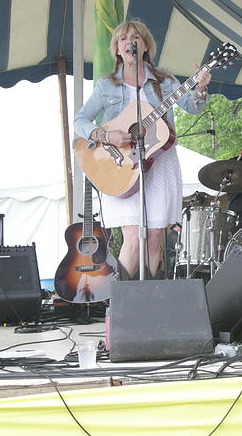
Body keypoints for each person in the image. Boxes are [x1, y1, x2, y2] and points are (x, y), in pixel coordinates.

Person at [74, 20, 211, 280]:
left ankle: (150, 301)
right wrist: (106, 135)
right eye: (123, 39)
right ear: (116, 49)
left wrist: (201, 87)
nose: (130, 42)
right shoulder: (107, 86)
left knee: (155, 235)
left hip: (160, 162)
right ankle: (121, 304)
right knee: (134, 237)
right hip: (122, 166)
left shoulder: (164, 80)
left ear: (145, 45)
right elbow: (79, 121)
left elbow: (193, 106)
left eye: (135, 37)